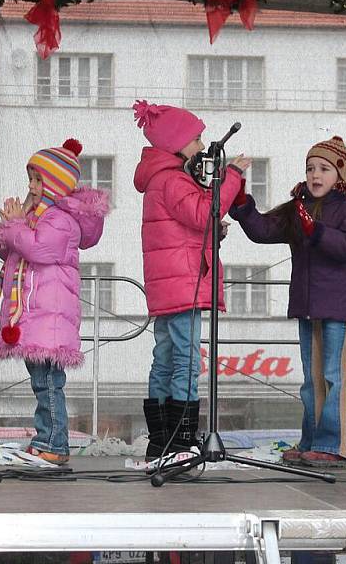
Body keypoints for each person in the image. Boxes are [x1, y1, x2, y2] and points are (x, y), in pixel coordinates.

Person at [230, 136, 346, 467]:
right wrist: (242, 200)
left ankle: (336, 445)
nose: (315, 175)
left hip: (339, 306)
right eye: (310, 168)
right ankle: (312, 441)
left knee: (335, 376)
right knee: (312, 379)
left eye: (323, 168)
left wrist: (315, 230)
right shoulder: (297, 207)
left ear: (341, 175)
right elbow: (261, 230)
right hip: (309, 305)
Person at [0, 139, 110, 465]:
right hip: (36, 315)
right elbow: (13, 253)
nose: (31, 186)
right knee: (41, 383)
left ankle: (55, 443)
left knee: (49, 384)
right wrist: (10, 227)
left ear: (54, 184)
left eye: (38, 180)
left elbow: (38, 250)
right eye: (31, 179)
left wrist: (16, 225)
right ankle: (44, 439)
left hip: (49, 317)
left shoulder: (59, 221)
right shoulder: (39, 217)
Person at [132, 99, 250, 460]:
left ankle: (160, 439)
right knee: (186, 360)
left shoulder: (159, 179)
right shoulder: (172, 179)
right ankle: (182, 438)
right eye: (196, 140)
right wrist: (232, 177)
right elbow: (203, 213)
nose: (201, 147)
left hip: (169, 284)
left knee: (165, 357)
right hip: (185, 283)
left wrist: (215, 230)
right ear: (175, 143)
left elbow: (186, 227)